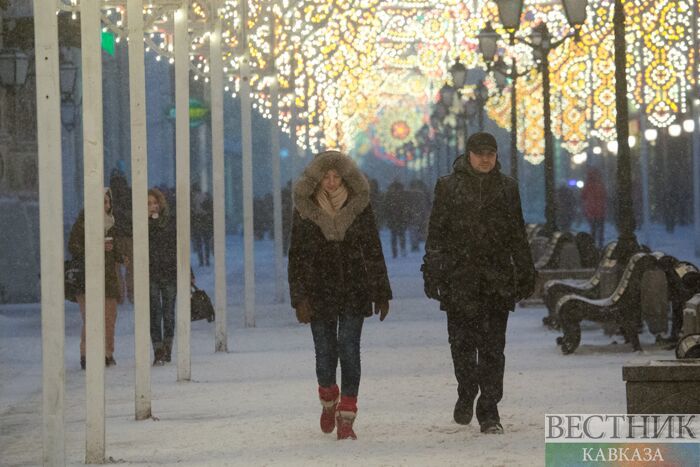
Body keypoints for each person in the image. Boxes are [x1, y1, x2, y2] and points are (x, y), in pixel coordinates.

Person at [422, 132, 535, 435]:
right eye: (480, 153)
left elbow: (516, 234)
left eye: (490, 153)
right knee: (461, 343)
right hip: (460, 278)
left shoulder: (507, 188)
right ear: (469, 155)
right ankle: (467, 388)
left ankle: (489, 408)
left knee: (493, 348)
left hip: (496, 279)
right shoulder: (449, 187)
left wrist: (525, 271)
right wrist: (432, 271)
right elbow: (437, 234)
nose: (485, 158)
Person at [288, 150, 392, 440]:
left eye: (336, 176)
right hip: (317, 290)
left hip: (353, 289)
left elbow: (373, 249)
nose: (332, 182)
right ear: (317, 180)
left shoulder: (359, 207)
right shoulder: (305, 209)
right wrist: (299, 297)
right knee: (324, 354)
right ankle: (328, 399)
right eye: (326, 177)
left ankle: (347, 414)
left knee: (348, 348)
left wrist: (381, 292)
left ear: (345, 178)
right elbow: (296, 255)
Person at [68, 188, 125, 370]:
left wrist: (122, 257)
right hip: (87, 276)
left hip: (108, 277)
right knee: (91, 319)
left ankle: (107, 353)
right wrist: (96, 246)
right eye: (101, 201)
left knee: (109, 317)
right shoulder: (83, 223)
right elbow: (73, 247)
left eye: (107, 201)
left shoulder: (113, 224)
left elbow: (115, 249)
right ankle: (86, 354)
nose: (105, 205)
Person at [148, 188, 178, 365]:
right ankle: (157, 349)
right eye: (149, 204)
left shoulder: (169, 222)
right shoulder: (142, 224)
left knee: (168, 313)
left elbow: (176, 247)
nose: (153, 206)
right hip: (151, 272)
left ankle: (168, 347)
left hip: (169, 271)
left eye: (155, 202)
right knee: (154, 312)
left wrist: (187, 271)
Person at [110, 169, 134, 303]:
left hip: (115, 235)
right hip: (129, 235)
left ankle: (120, 295)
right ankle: (131, 293)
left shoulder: (109, 194)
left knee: (115, 268)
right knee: (131, 267)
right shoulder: (130, 193)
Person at [581, 167, 606, 248]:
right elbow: (604, 194)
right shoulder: (600, 183)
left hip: (591, 210)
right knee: (600, 228)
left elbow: (583, 196)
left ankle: (593, 244)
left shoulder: (588, 184)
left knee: (593, 228)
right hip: (600, 209)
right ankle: (600, 244)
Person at [384, 179, 409, 258]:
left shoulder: (389, 196)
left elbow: (386, 208)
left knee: (395, 236)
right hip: (399, 218)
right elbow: (406, 207)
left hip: (394, 218)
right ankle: (402, 250)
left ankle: (395, 252)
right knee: (400, 235)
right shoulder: (403, 196)